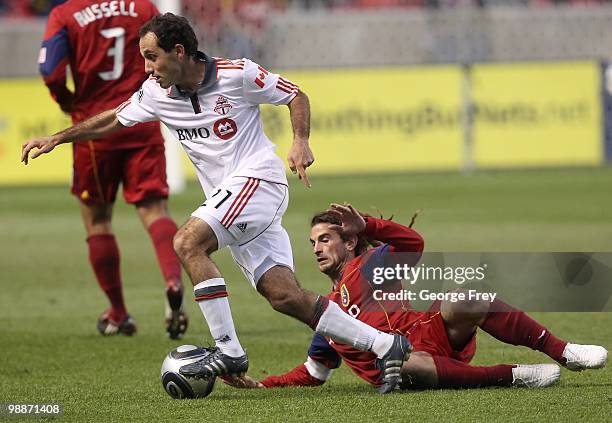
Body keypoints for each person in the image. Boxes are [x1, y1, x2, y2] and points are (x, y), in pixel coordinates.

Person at [22, 12, 413, 394]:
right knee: (284, 296)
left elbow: (295, 95)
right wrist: (58, 138)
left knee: (187, 242)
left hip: (258, 180)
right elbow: (113, 119)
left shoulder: (236, 74)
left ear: (179, 52)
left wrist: (300, 140)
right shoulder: (156, 94)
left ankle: (229, 352)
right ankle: (384, 345)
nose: (145, 68)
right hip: (232, 199)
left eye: (151, 57)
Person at [223, 204, 608, 391]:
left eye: (325, 239)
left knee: (467, 295)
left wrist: (371, 225)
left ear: (350, 240)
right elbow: (313, 372)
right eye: (312, 243)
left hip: (431, 333)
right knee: (408, 364)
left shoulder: (372, 263)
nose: (317, 249)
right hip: (405, 365)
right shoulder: (326, 313)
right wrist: (262, 385)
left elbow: (414, 243)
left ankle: (564, 351)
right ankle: (514, 376)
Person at [37, 0, 187, 338]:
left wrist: (67, 101)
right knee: (154, 210)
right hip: (142, 120)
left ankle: (118, 313)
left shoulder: (65, 14)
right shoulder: (142, 6)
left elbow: (51, 71)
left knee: (99, 219)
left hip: (94, 129)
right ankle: (172, 281)